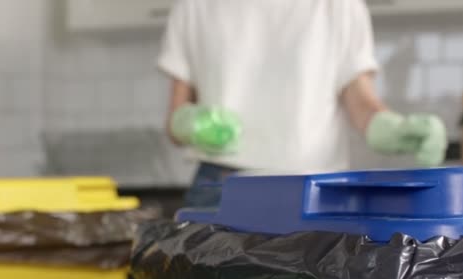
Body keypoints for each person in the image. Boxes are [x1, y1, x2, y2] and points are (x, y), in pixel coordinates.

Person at [158, 0, 448, 207]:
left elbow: (360, 100)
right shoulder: (192, 7)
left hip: (317, 191)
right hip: (221, 188)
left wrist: (390, 127)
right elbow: (175, 116)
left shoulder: (339, 6)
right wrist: (189, 123)